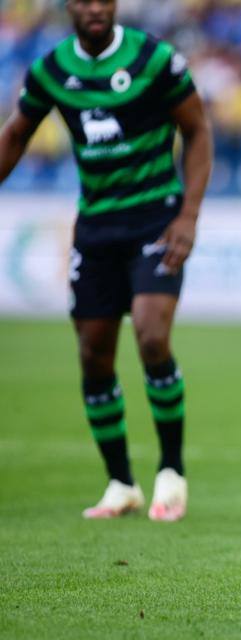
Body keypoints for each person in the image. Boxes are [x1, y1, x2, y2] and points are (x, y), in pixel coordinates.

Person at [0, 0, 213, 521]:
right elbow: (15, 135)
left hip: (156, 221)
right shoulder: (52, 70)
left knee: (150, 334)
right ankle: (121, 483)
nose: (94, 8)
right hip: (95, 230)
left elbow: (199, 132)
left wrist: (187, 215)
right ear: (68, 7)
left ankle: (170, 471)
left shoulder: (155, 59)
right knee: (94, 352)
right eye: (83, 0)